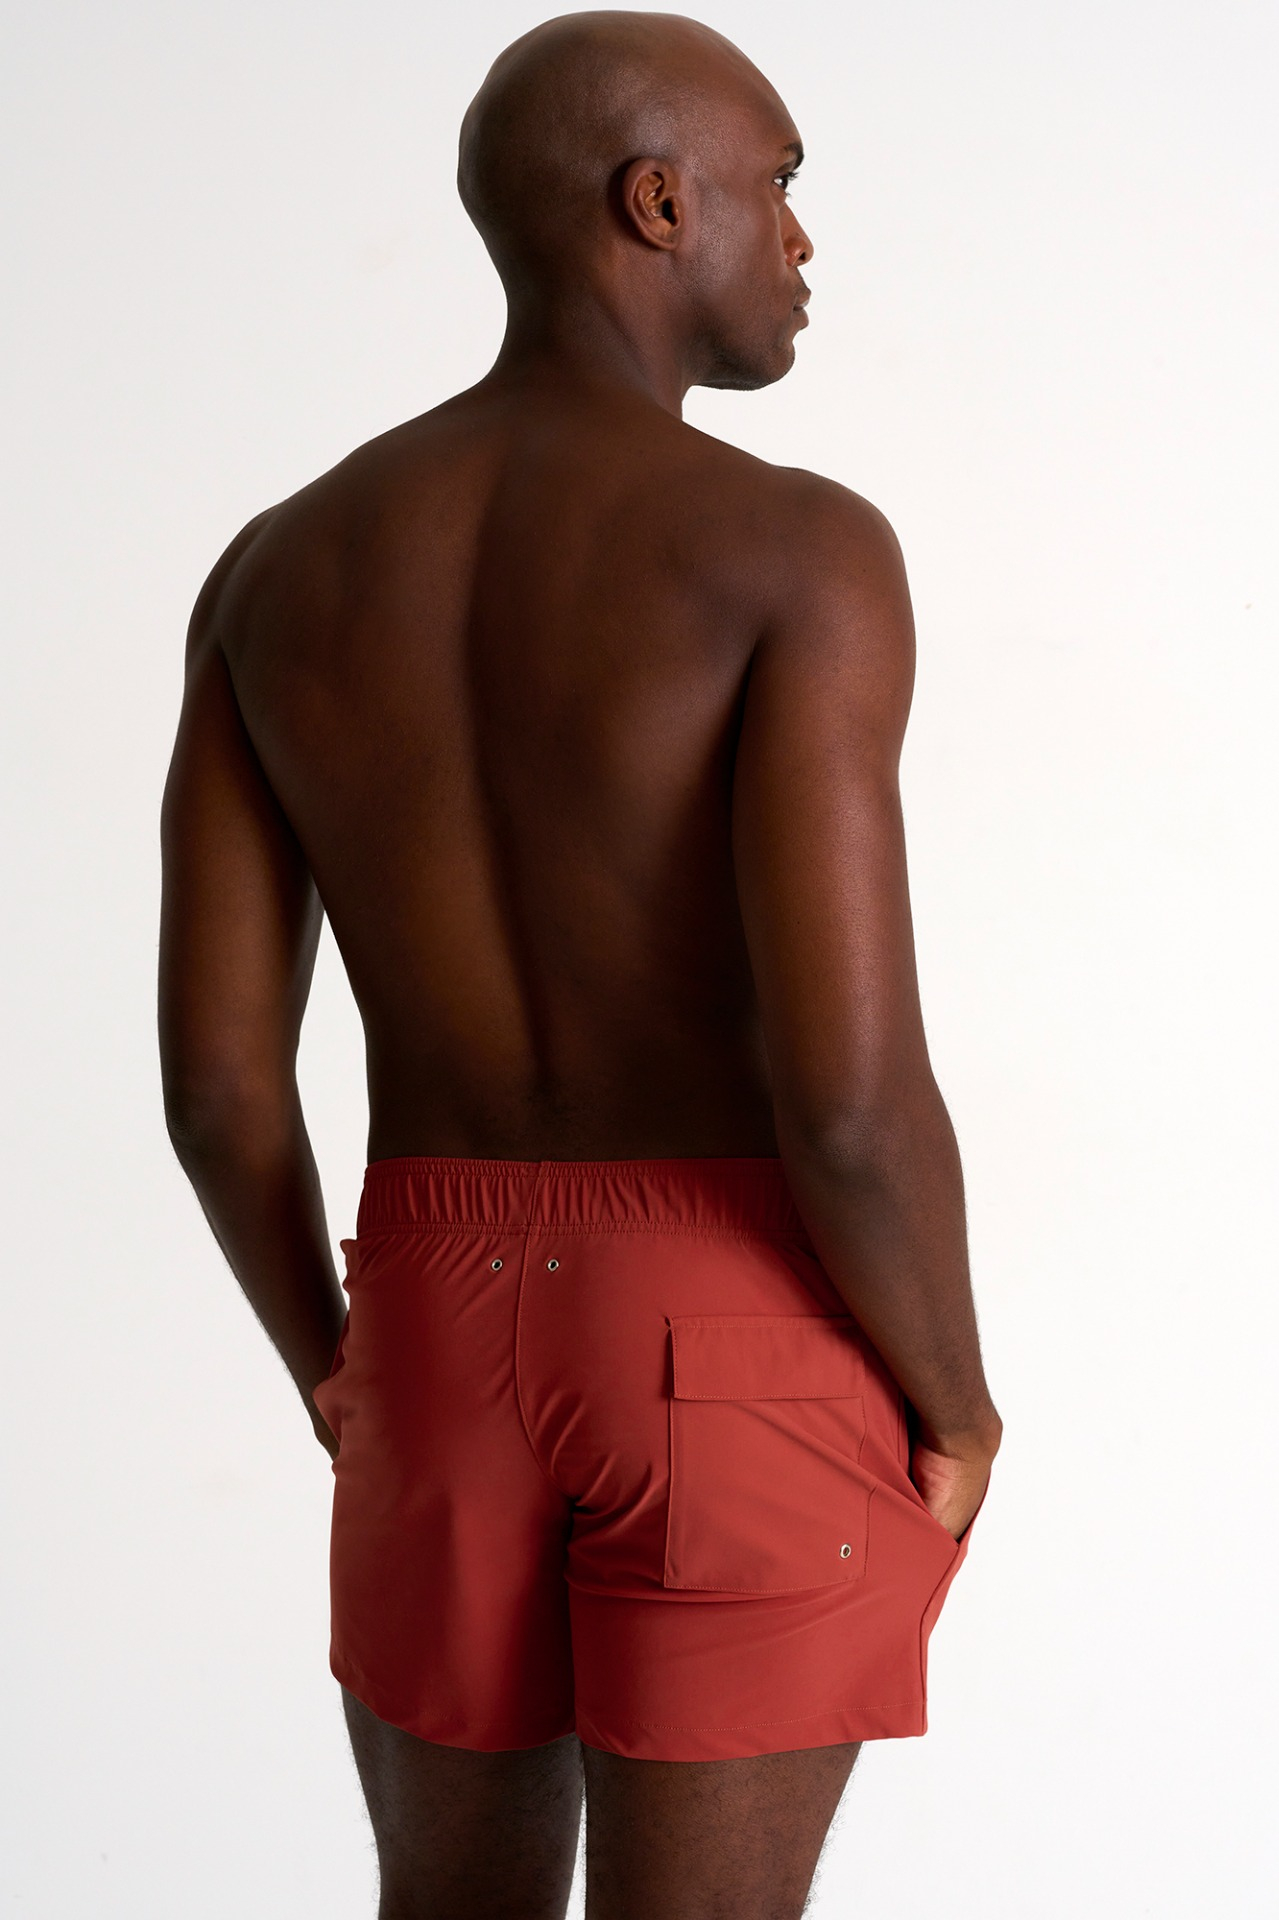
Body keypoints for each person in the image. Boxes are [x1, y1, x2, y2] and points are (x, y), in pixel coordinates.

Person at [158, 9, 1002, 1915]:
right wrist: (957, 1405)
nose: (802, 238)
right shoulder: (796, 552)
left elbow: (218, 1090)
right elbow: (850, 1099)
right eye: (781, 184)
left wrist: (341, 1372)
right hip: (734, 1317)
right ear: (658, 202)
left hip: (430, 1321)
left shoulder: (274, 573)